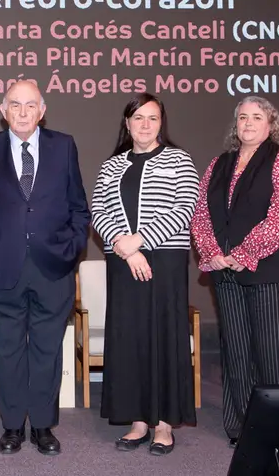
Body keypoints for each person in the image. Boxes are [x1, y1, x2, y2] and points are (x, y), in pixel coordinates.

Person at [0, 80, 90, 456]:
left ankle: (43, 426)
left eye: (29, 105)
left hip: (54, 268)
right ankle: (12, 426)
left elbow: (79, 207)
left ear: (42, 110)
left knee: (48, 350)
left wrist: (71, 249)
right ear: (3, 111)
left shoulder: (64, 145)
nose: (22, 112)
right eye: (15, 105)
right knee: (8, 349)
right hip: (3, 267)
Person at [191, 95, 279, 447]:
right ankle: (244, 427)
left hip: (276, 273)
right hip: (227, 273)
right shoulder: (219, 163)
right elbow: (201, 214)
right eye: (242, 117)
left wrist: (243, 253)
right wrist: (213, 253)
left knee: (278, 356)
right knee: (238, 353)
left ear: (271, 124)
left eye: (256, 117)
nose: (247, 123)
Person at [90, 93, 199, 454]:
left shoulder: (179, 160)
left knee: (164, 337)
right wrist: (125, 246)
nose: (145, 124)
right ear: (127, 123)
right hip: (123, 263)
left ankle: (164, 425)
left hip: (164, 262)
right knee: (130, 338)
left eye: (152, 118)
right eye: (138, 118)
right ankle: (138, 421)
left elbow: (186, 207)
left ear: (161, 123)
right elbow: (98, 210)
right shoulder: (112, 165)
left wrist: (140, 241)